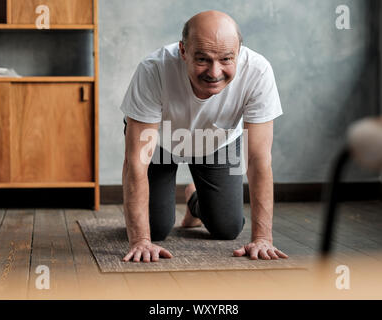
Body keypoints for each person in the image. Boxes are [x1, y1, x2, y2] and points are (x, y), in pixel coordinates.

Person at [120, 10, 288, 263]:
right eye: (202, 59)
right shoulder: (153, 70)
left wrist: (263, 238)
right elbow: (136, 162)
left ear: (239, 52)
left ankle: (193, 198)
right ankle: (153, 227)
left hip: (219, 142)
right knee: (155, 230)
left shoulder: (258, 72)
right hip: (160, 143)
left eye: (226, 59)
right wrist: (140, 240)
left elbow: (258, 159)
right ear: (183, 51)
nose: (214, 71)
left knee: (228, 228)